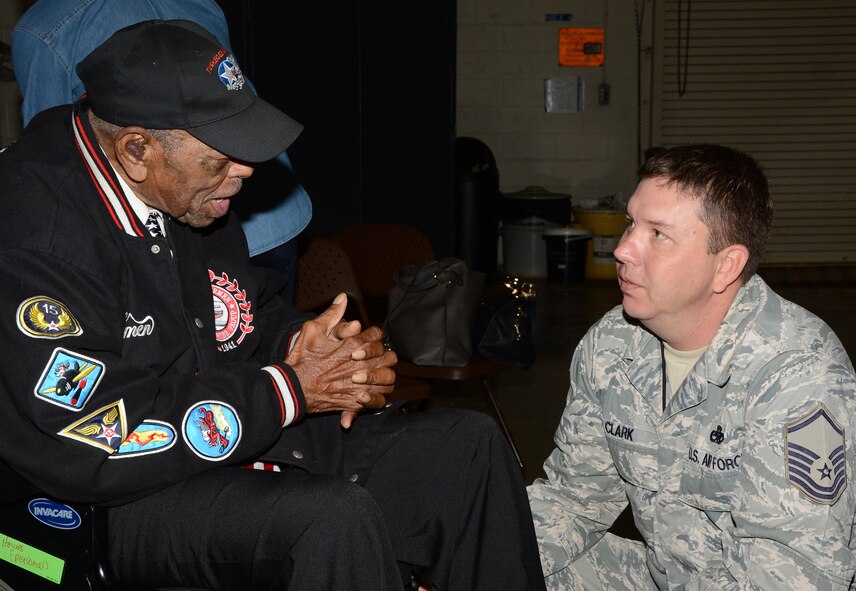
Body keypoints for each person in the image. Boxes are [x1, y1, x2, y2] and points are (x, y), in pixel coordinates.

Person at [0, 20, 545, 590]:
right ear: (137, 150)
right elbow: (94, 433)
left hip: (223, 433)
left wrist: (310, 346)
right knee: (330, 519)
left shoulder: (187, 192)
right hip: (97, 498)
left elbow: (240, 310)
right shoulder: (37, 237)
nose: (245, 170)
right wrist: (290, 390)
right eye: (222, 156)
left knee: (467, 450)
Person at [527, 144, 856, 589]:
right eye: (631, 224)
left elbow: (794, 577)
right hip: (666, 577)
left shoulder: (797, 376)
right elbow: (573, 498)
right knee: (500, 555)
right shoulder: (612, 343)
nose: (623, 249)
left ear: (726, 266)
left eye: (658, 234)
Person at [11, 0, 311, 302]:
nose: (246, 167)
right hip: (268, 217)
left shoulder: (45, 26)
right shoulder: (201, 2)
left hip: (196, 225)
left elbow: (55, 156)